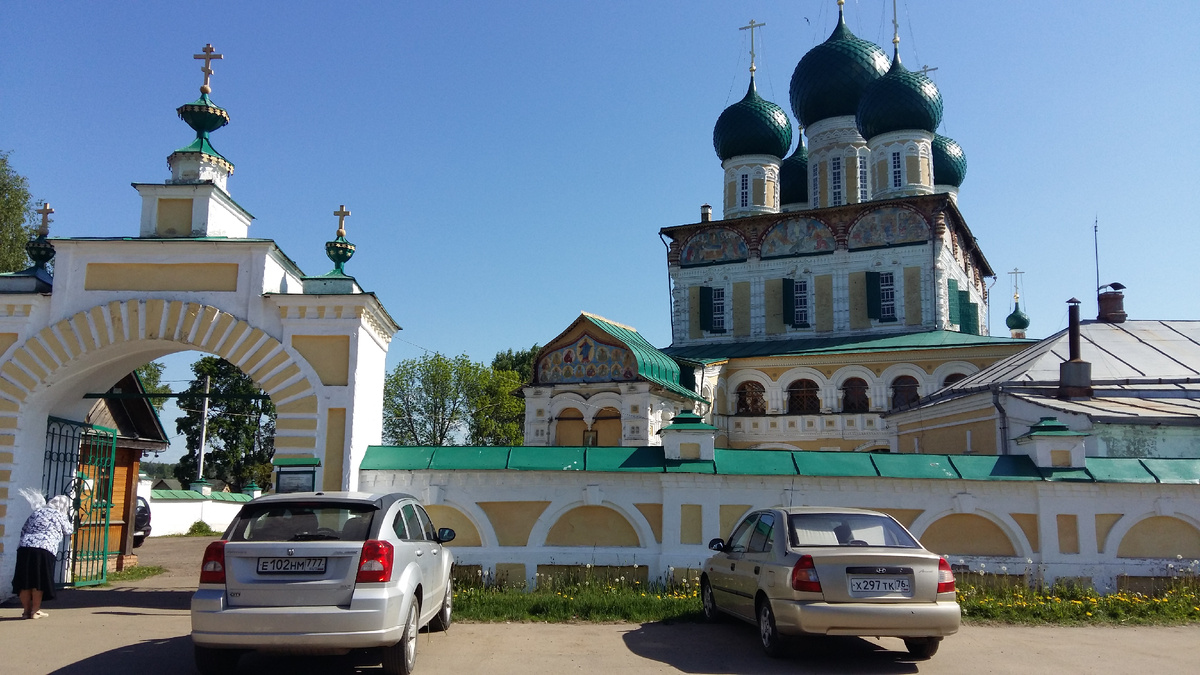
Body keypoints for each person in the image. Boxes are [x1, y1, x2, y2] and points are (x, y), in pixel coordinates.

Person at [11, 493, 72, 619]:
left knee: (24, 581)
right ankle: (35, 611)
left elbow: (24, 529)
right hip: (44, 549)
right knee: (38, 581)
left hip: (25, 548)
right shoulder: (59, 515)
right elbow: (69, 530)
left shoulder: (37, 512)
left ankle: (26, 611)